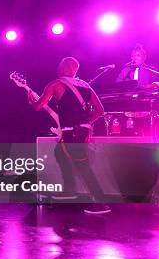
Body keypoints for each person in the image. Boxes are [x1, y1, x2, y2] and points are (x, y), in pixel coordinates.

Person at [28, 57, 110, 214]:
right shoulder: (86, 85)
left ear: (64, 68)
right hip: (82, 130)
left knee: (83, 166)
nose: (60, 67)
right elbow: (100, 110)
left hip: (71, 131)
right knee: (59, 153)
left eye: (62, 65)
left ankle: (101, 203)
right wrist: (85, 122)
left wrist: (31, 100)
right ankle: (69, 190)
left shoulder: (56, 84)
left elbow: (39, 106)